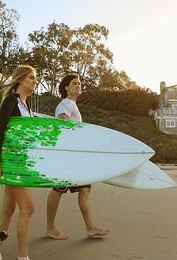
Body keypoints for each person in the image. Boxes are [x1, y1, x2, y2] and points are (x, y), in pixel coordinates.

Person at [45, 73, 110, 240]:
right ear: (66, 87)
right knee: (59, 189)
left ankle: (90, 227)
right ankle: (50, 228)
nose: (78, 85)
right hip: (68, 156)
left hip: (72, 156)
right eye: (74, 83)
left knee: (84, 188)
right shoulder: (66, 104)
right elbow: (64, 128)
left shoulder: (72, 105)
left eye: (79, 83)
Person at [0, 65, 37, 260]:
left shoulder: (26, 106)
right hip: (10, 163)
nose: (35, 81)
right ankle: (23, 257)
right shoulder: (11, 101)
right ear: (20, 80)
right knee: (28, 207)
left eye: (35, 78)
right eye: (32, 78)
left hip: (21, 163)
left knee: (9, 208)